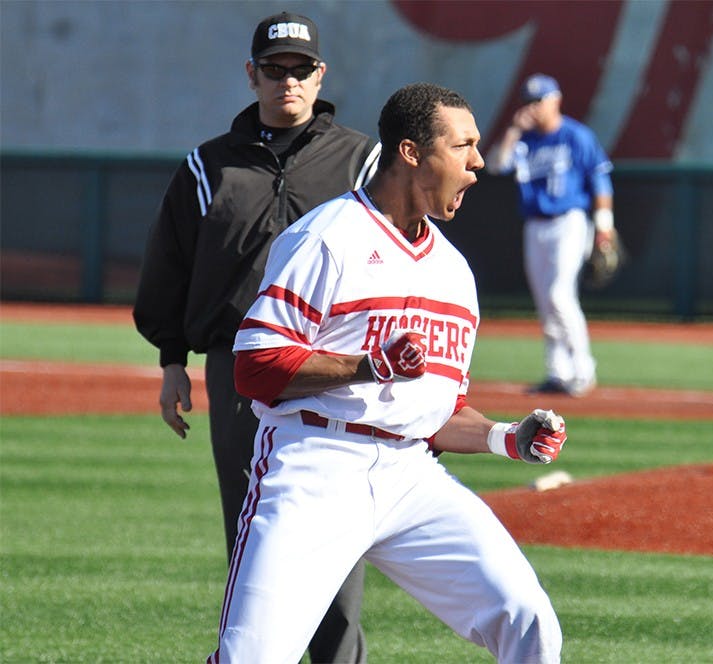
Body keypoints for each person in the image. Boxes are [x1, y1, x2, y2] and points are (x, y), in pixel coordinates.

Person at [207, 82, 566, 664]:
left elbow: (437, 411)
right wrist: (366, 366)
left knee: (529, 620)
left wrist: (508, 437)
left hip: (409, 476)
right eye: (463, 146)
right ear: (410, 152)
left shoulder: (454, 271)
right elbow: (253, 367)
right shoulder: (326, 238)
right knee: (252, 656)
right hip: (314, 467)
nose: (477, 163)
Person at [133, 12, 380, 663]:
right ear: (253, 74)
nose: (288, 81)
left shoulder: (361, 160)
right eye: (275, 69)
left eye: (301, 69)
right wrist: (170, 362)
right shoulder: (208, 165)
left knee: (336, 528)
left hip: (336, 370)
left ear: (319, 75)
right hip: (240, 368)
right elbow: (172, 265)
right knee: (252, 532)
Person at [486, 73, 617, 397]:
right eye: (528, 101)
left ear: (555, 99)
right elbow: (495, 165)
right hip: (535, 225)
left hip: (569, 221)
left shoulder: (576, 135)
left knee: (560, 295)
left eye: (538, 100)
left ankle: (584, 370)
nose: (533, 107)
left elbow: (600, 180)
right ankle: (558, 372)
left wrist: (603, 225)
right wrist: (514, 131)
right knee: (546, 303)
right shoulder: (524, 141)